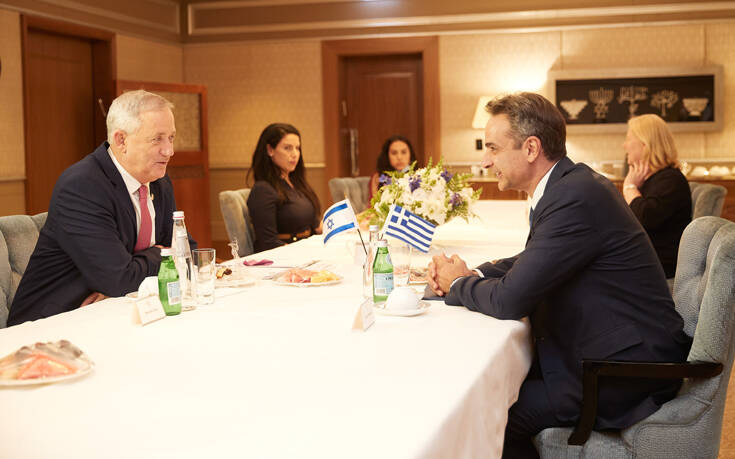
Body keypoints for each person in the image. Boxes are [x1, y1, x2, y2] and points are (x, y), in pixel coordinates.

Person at [427, 93, 691, 458]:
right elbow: (536, 258)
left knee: (491, 415)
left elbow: (509, 300)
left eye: (493, 149)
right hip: (606, 349)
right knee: (491, 387)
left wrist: (458, 284)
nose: (486, 161)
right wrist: (474, 272)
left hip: (621, 370)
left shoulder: (574, 196)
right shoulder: (570, 186)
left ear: (531, 148)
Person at [9, 90, 194, 326]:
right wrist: (161, 254)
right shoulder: (82, 186)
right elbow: (119, 278)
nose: (169, 150)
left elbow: (187, 252)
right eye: (157, 139)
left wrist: (121, 284)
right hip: (52, 325)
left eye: (171, 138)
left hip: (114, 312)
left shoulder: (159, 182)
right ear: (121, 140)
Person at [622, 114, 692, 278]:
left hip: (658, 268)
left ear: (645, 144)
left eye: (629, 139)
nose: (624, 145)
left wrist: (630, 187)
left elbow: (645, 217)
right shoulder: (652, 181)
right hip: (643, 260)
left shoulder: (671, 180)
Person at [246, 123, 321, 253]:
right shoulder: (263, 189)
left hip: (308, 249)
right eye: (287, 148)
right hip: (284, 257)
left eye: (297, 148)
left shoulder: (297, 184)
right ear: (270, 150)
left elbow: (316, 226)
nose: (295, 154)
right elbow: (268, 243)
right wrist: (304, 254)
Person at [368, 135, 417, 200]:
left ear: (410, 154)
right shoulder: (378, 178)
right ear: (387, 156)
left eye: (403, 152)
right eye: (394, 153)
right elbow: (373, 203)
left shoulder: (418, 176)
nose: (399, 157)